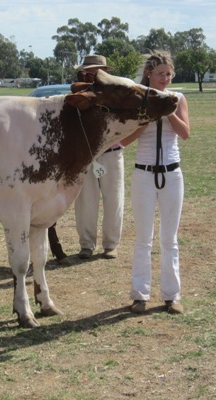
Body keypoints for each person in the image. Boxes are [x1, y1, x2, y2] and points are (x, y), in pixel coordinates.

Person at [120, 50, 190, 314]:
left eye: (168, 74)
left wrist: (168, 110)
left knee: (169, 238)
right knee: (143, 238)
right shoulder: (139, 98)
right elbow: (125, 140)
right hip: (143, 173)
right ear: (149, 74)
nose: (165, 78)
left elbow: (185, 133)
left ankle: (172, 296)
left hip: (172, 173)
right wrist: (149, 115)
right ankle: (140, 295)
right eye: (160, 74)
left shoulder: (178, 98)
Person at [73, 55, 125, 260]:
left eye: (98, 71)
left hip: (112, 154)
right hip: (86, 155)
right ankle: (86, 245)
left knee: (114, 200)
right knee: (85, 201)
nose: (93, 75)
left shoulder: (116, 94)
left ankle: (111, 244)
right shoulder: (76, 95)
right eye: (90, 71)